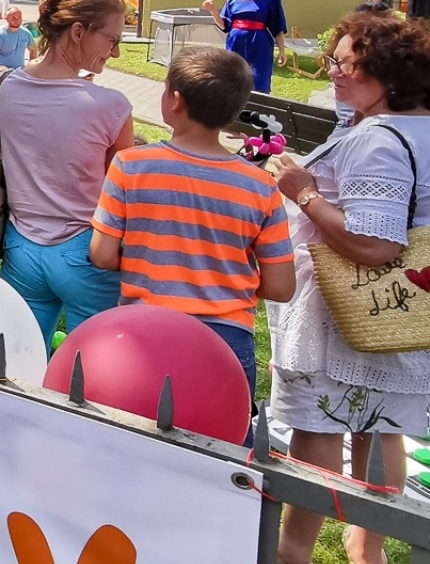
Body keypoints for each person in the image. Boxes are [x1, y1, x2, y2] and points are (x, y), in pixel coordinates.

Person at [268, 11, 430, 564]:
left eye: (344, 62)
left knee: (319, 427)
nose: (331, 70)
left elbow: (373, 244)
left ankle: (294, 553)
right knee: (383, 428)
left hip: (346, 308)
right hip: (417, 300)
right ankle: (369, 550)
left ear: (385, 74)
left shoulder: (379, 140)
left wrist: (300, 190)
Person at [89, 46, 297, 424]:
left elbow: (103, 256)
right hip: (228, 339)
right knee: (219, 448)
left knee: (134, 437)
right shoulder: (261, 186)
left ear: (176, 100)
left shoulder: (131, 165)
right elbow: (281, 287)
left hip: (145, 331)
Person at [0, 0, 135, 353]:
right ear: (78, 31)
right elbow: (122, 188)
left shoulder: (4, 85)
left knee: (18, 363)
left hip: (21, 245)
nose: (115, 52)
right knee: (96, 370)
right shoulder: (110, 105)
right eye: (112, 40)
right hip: (86, 250)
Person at [201, 0, 289, 94]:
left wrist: (282, 51)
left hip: (260, 44)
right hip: (236, 42)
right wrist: (213, 10)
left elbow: (278, 27)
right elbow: (225, 25)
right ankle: (234, 110)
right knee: (233, 77)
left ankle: (257, 110)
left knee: (259, 79)